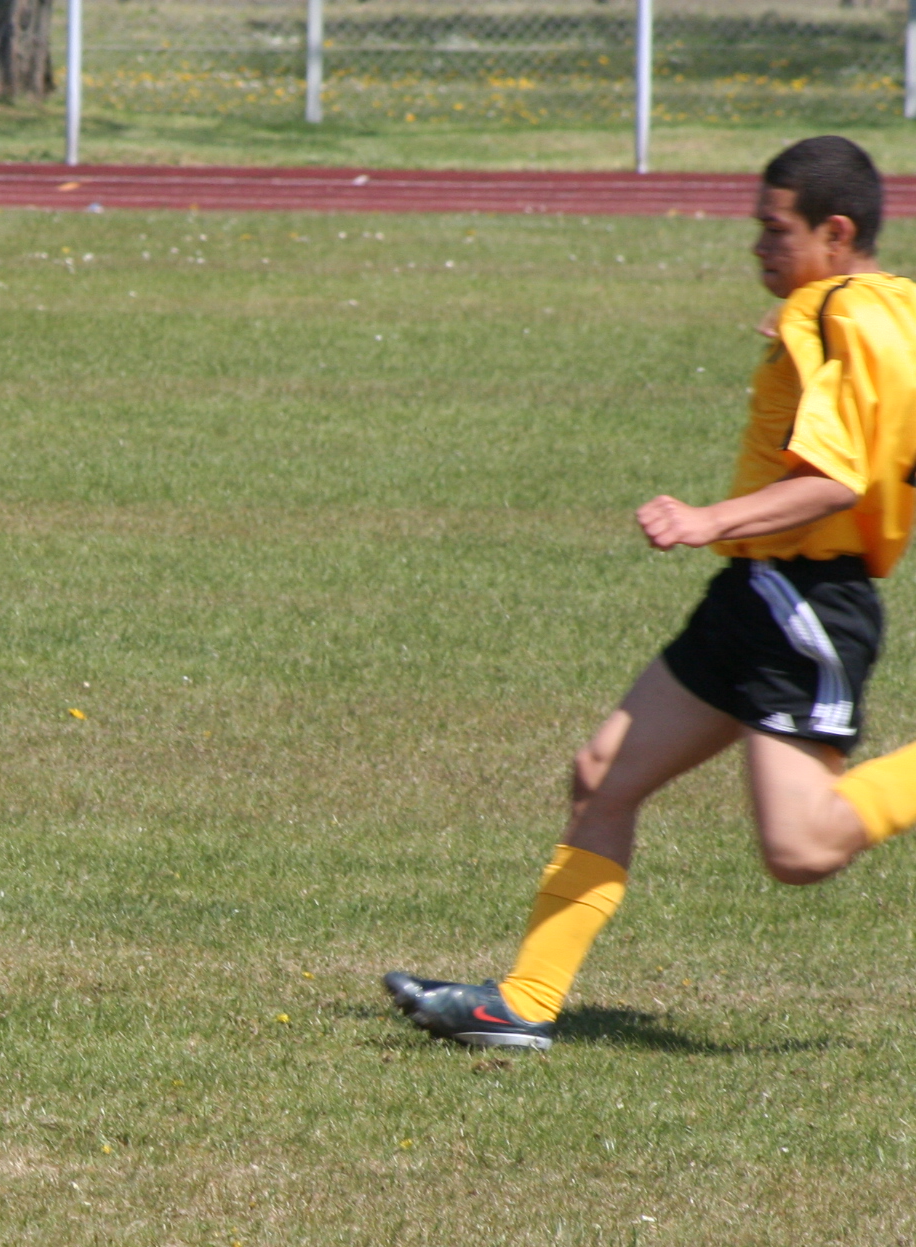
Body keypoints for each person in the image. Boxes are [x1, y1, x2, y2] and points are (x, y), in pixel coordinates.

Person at [388, 135, 916, 1051]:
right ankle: (525, 1002)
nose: (758, 246)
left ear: (836, 233)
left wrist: (710, 517)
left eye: (776, 230)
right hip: (756, 591)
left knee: (800, 849)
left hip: (806, 605)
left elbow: (836, 481)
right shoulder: (884, 309)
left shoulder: (837, 312)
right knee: (603, 774)